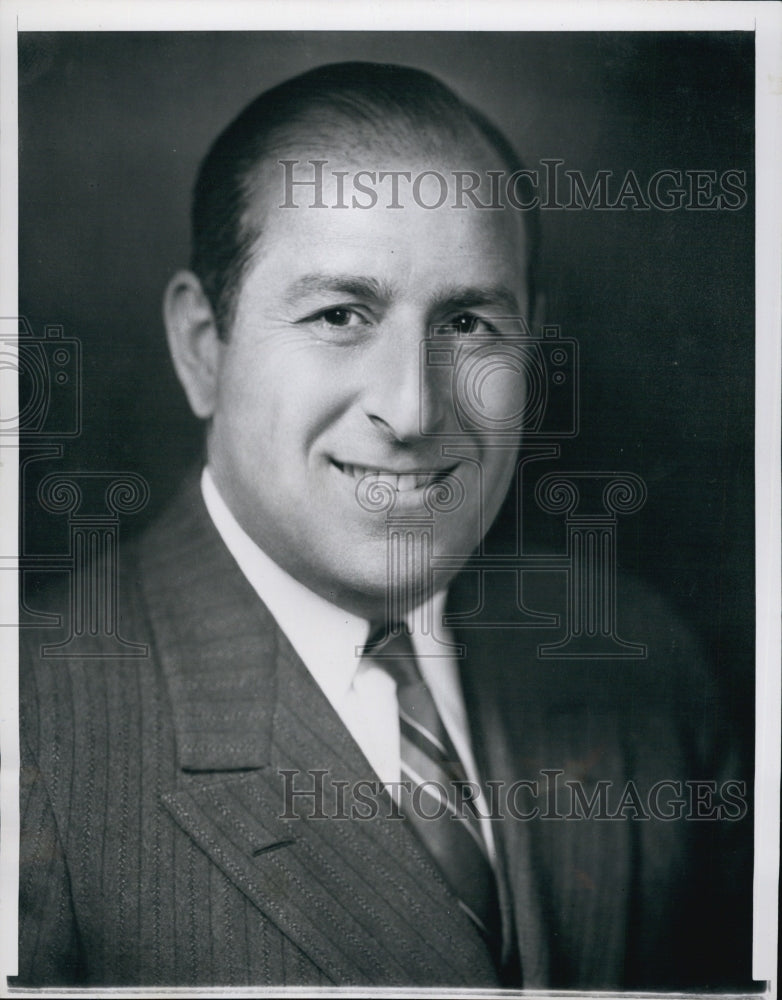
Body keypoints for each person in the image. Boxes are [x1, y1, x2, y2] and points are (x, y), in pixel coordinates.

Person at [15, 62, 752, 990]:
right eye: (339, 314)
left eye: (471, 324)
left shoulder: (643, 660)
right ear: (204, 347)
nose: (412, 409)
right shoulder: (30, 742)